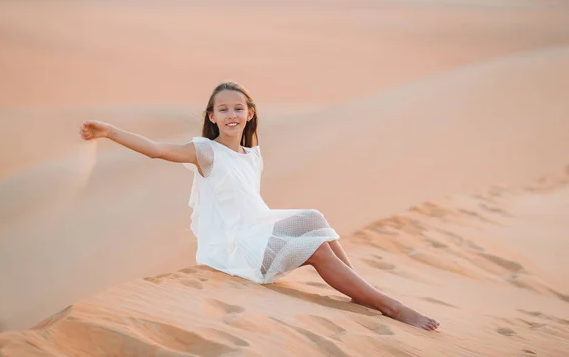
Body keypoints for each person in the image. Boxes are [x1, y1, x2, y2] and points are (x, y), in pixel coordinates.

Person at [79, 81, 439, 331]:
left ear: (250, 113)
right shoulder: (205, 151)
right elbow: (157, 150)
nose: (231, 114)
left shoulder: (251, 154)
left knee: (314, 217)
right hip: (237, 247)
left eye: (238, 108)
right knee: (315, 247)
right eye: (223, 109)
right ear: (212, 116)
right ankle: (389, 306)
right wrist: (110, 131)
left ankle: (362, 291)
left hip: (258, 228)